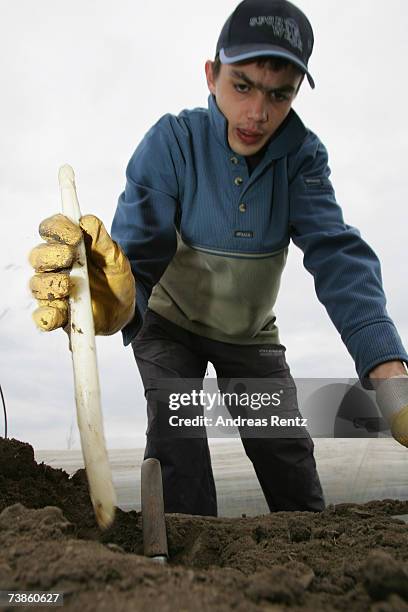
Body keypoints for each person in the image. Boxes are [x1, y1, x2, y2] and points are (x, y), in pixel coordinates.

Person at [29, 0, 408, 516]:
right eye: (243, 85)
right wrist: (114, 306)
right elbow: (137, 257)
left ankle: (307, 553)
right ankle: (183, 566)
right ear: (212, 75)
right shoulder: (172, 143)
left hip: (248, 335)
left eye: (280, 94)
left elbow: (338, 255)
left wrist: (389, 376)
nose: (257, 114)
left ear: (296, 92)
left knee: (285, 450)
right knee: (177, 433)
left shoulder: (302, 157)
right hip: (168, 324)